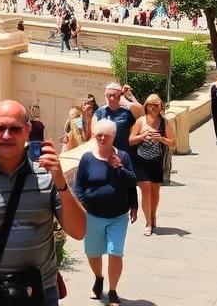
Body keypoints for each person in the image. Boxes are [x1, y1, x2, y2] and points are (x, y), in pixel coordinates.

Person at [0, 100, 86, 306]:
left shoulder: (47, 175)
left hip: (39, 293)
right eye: (0, 128)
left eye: (15, 128)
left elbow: (79, 231)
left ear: (27, 130)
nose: (6, 135)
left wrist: (61, 183)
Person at [75, 119, 138, 306]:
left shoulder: (124, 157)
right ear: (94, 135)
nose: (102, 138)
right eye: (99, 135)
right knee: (93, 253)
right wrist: (80, 207)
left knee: (115, 252)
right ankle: (98, 278)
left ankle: (112, 290)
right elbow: (79, 185)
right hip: (92, 215)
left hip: (118, 215)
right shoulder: (87, 158)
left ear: (113, 137)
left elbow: (132, 183)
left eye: (106, 135)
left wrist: (119, 167)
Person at [128, 94, 174, 235]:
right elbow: (130, 140)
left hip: (156, 161)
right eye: (150, 104)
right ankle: (148, 222)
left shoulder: (164, 123)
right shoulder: (140, 121)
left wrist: (161, 138)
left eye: (155, 105)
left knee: (155, 191)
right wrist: (142, 136)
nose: (152, 107)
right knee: (145, 189)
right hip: (140, 161)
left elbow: (172, 143)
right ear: (146, 106)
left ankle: (153, 215)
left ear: (160, 106)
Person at [95, 82, 143, 154]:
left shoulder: (127, 112)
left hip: (123, 152)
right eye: (109, 95)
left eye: (114, 95)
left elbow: (140, 110)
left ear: (119, 96)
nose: (111, 98)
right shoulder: (100, 112)